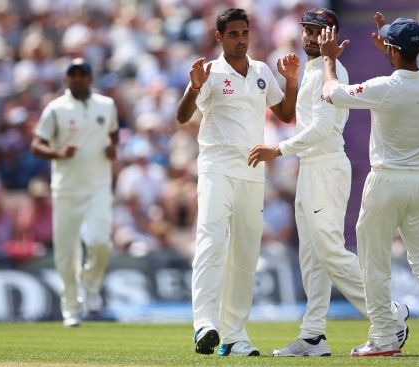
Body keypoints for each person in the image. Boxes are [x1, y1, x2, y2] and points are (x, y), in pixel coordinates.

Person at [248, 8, 409, 357]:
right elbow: (301, 118)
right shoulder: (312, 69)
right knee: (311, 256)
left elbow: (322, 128)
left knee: (330, 251)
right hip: (310, 167)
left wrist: (279, 148)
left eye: (317, 31)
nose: (309, 36)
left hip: (326, 166)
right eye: (306, 29)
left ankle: (390, 315)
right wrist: (291, 80)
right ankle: (313, 336)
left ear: (332, 34)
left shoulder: (333, 71)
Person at [318, 13, 419, 356]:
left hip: (385, 182)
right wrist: (391, 49)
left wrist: (328, 59)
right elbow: (405, 66)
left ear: (393, 51)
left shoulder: (384, 87)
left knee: (374, 262)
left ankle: (383, 337)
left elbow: (331, 94)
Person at [176, 8, 299, 357]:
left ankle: (234, 336)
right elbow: (182, 115)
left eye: (244, 33)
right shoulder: (209, 72)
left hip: (252, 172)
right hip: (216, 169)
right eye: (233, 34)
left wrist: (291, 80)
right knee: (212, 242)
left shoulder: (261, 71)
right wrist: (194, 87)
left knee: (245, 254)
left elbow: (287, 115)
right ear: (220, 37)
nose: (240, 39)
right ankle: (204, 324)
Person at [31, 58, 118, 327]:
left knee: (99, 242)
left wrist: (111, 148)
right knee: (66, 254)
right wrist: (57, 152)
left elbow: (113, 135)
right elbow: (36, 145)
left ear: (91, 79)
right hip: (66, 190)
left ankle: (91, 285)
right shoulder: (55, 109)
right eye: (73, 75)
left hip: (98, 187)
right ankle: (71, 308)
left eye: (83, 74)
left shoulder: (107, 105)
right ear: (66, 79)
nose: (78, 78)